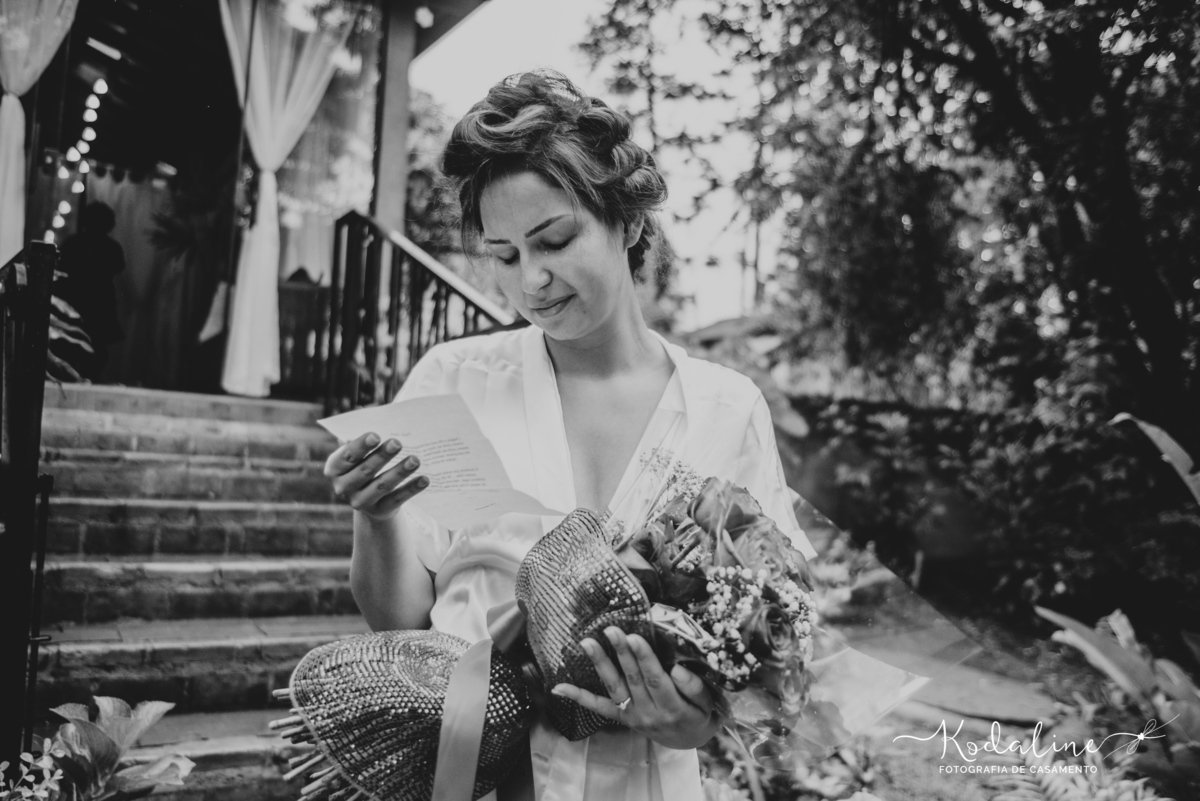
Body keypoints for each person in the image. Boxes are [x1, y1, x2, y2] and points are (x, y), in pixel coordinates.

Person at [323, 71, 818, 801]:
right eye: (505, 255)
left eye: (553, 240)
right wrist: (375, 512)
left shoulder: (725, 406)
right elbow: (396, 615)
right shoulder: (454, 380)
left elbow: (767, 647)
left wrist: (689, 722)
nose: (532, 282)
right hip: (476, 781)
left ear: (629, 221)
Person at [57, 201, 126, 380]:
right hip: (87, 304)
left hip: (90, 305)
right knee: (86, 350)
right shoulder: (108, 247)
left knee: (91, 351)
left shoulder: (75, 243)